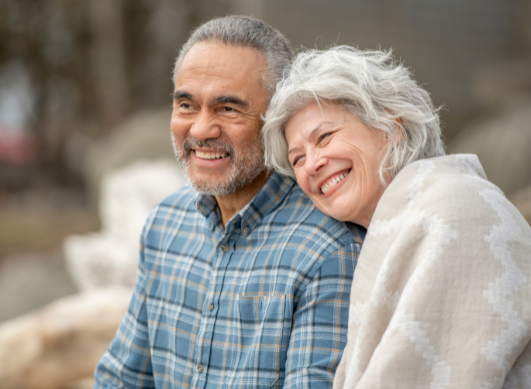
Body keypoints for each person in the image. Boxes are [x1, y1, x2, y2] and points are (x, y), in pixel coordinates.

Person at [94, 17, 365, 389]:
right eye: (187, 105)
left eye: (228, 109)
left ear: (277, 119)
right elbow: (123, 378)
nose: (202, 130)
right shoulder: (165, 223)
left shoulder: (328, 250)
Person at [262, 45, 531, 388]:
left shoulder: (455, 209)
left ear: (390, 126)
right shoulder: (395, 222)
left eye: (325, 137)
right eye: (298, 158)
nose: (312, 164)